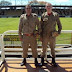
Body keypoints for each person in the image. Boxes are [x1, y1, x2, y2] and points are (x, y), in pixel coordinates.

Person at [40, 2, 62, 67]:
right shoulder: (43, 15)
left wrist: (58, 32)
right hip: (45, 35)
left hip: (52, 35)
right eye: (47, 6)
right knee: (43, 49)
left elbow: (59, 25)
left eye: (49, 6)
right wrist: (41, 36)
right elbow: (40, 26)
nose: (48, 8)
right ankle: (42, 61)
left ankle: (53, 61)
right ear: (45, 8)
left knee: (52, 48)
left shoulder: (55, 15)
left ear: (51, 7)